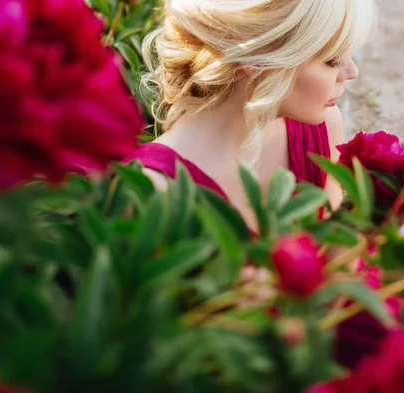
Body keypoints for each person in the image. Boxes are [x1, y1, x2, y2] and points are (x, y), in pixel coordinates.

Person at [125, 0, 377, 231]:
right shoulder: (150, 188)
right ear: (258, 60)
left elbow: (328, 258)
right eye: (332, 61)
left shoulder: (322, 128)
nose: (352, 71)